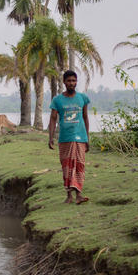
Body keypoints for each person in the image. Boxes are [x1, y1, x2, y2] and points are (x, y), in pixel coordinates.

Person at [48, 70, 90, 205]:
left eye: (74, 81)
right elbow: (53, 119)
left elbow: (85, 117)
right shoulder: (57, 100)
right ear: (64, 82)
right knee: (66, 166)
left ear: (76, 82)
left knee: (79, 166)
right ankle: (69, 196)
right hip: (65, 138)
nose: (72, 83)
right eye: (69, 81)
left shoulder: (82, 98)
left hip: (80, 138)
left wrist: (87, 137)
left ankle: (79, 195)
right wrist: (50, 137)